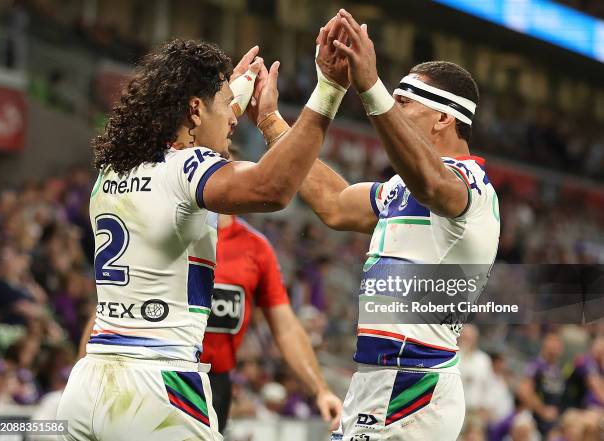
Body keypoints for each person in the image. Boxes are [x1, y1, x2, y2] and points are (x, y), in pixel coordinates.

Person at [57, 27, 351, 441]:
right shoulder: (185, 168)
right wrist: (328, 93)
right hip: (157, 390)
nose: (234, 118)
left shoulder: (114, 170)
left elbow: (205, 125)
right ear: (194, 111)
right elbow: (272, 188)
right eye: (225, 107)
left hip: (88, 384)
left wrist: (234, 90)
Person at [261, 9, 500, 441]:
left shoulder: (471, 187)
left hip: (414, 382)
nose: (392, 108)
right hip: (379, 381)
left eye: (404, 101)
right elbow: (333, 202)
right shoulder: (398, 187)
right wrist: (271, 122)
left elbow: (431, 181)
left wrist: (371, 85)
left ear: (444, 119)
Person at [202, 211, 342, 433]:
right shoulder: (167, 228)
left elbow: (286, 327)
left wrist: (320, 389)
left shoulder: (255, 246)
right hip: (161, 372)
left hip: (215, 384)